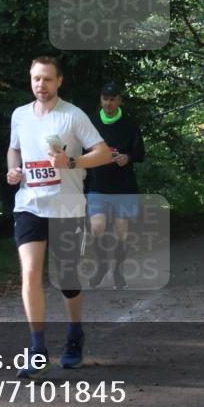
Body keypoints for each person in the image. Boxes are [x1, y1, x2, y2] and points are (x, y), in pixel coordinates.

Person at [6, 57, 112, 378]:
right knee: (30, 274)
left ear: (59, 81)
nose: (41, 84)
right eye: (36, 78)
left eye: (47, 79)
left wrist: (73, 162)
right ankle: (38, 350)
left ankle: (75, 334)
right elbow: (14, 149)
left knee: (66, 279)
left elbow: (103, 153)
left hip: (67, 207)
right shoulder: (20, 115)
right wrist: (13, 169)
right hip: (29, 204)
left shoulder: (73, 115)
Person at [86, 82, 146, 289]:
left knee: (122, 230)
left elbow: (140, 153)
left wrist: (127, 157)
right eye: (105, 99)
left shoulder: (130, 124)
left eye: (113, 100)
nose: (109, 104)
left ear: (120, 100)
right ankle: (102, 265)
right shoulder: (91, 122)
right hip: (98, 183)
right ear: (100, 99)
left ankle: (118, 271)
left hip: (123, 184)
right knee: (97, 227)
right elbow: (82, 150)